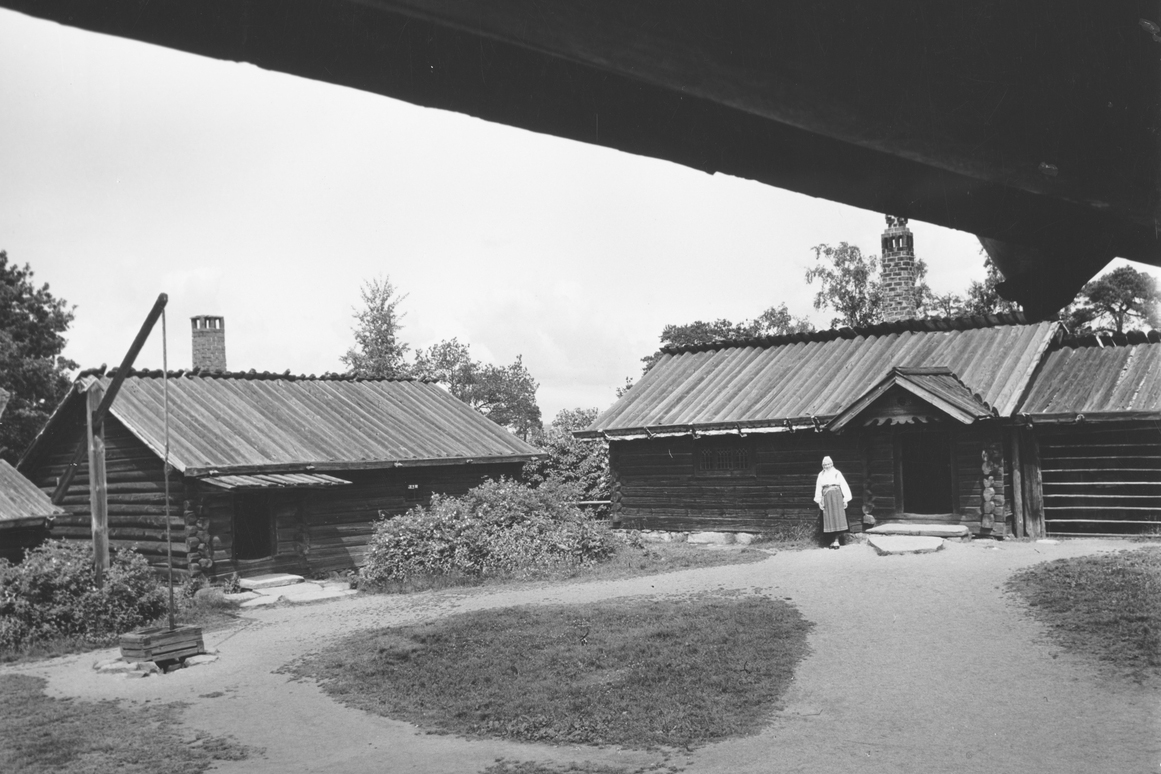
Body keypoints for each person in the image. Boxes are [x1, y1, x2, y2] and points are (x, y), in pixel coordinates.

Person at [814, 456, 851, 549]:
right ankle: (831, 540)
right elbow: (818, 488)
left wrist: (845, 499)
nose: (827, 466)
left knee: (836, 517)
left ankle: (836, 541)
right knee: (828, 518)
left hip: (837, 497)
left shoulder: (837, 473)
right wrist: (819, 501)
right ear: (822, 465)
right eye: (825, 464)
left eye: (828, 464)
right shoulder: (821, 475)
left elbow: (844, 485)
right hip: (826, 498)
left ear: (832, 464)